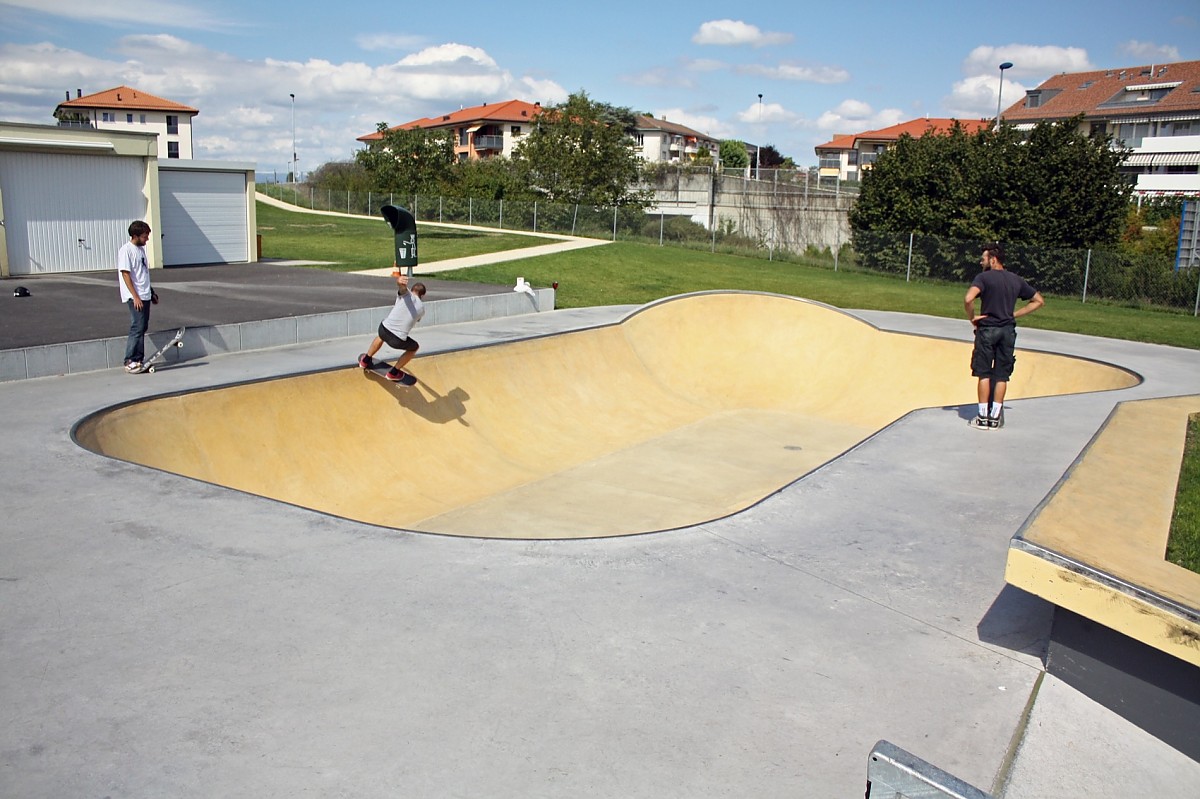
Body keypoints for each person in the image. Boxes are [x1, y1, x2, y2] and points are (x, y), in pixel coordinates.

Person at [963, 242, 1044, 429]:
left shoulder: (984, 278)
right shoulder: (1016, 279)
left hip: (987, 330)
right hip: (1008, 331)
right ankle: (995, 416)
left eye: (983, 259)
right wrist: (1014, 314)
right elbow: (1039, 301)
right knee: (1001, 375)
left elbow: (968, 298)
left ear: (993, 259)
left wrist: (972, 318)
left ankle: (982, 417)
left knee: (983, 373)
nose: (981, 262)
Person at [358, 272, 427, 381]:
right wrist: (400, 284)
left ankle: (365, 360)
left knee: (381, 336)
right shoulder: (422, 309)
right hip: (397, 340)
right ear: (422, 295)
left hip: (383, 329)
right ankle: (394, 373)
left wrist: (399, 282)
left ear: (412, 289)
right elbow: (416, 319)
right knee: (415, 347)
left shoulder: (406, 294)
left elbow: (402, 288)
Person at [117, 220, 158, 373]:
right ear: (135, 236)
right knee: (137, 327)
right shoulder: (126, 251)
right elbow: (126, 274)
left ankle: (138, 359)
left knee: (142, 326)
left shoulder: (140, 250)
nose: (147, 239)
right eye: (144, 236)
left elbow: (142, 274)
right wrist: (135, 296)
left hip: (144, 294)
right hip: (135, 297)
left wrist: (151, 292)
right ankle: (130, 360)